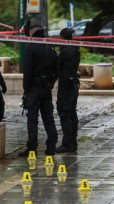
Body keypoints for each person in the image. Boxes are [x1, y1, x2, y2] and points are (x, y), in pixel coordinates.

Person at [19, 25, 58, 157]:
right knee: (48, 118)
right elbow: (56, 71)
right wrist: (50, 84)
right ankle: (51, 146)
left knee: (32, 120)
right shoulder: (51, 50)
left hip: (34, 89)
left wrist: (26, 89)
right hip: (46, 88)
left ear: (33, 35)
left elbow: (27, 72)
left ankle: (32, 148)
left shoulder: (31, 49)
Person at [55, 28, 80, 153]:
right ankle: (72, 142)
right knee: (72, 113)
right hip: (74, 84)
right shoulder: (75, 49)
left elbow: (57, 66)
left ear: (62, 38)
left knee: (65, 113)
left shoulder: (65, 51)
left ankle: (68, 143)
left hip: (66, 86)